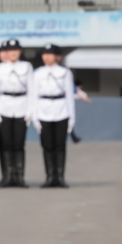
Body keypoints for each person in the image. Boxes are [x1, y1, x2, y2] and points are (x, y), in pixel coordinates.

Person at [0, 39, 34, 188]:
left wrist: (30, 110)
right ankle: (8, 176)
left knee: (19, 144)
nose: (13, 53)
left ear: (20, 52)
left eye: (16, 50)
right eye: (10, 50)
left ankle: (19, 176)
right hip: (4, 107)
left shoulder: (26, 67)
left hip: (21, 106)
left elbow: (31, 90)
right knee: (7, 144)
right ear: (6, 53)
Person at [32, 44, 75, 188]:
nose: (47, 57)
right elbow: (34, 96)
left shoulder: (65, 73)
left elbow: (69, 95)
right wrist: (35, 116)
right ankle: (50, 176)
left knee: (60, 145)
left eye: (50, 54)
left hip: (61, 110)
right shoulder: (37, 73)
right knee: (47, 145)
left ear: (58, 57)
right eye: (45, 54)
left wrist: (72, 116)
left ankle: (60, 177)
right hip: (44, 111)